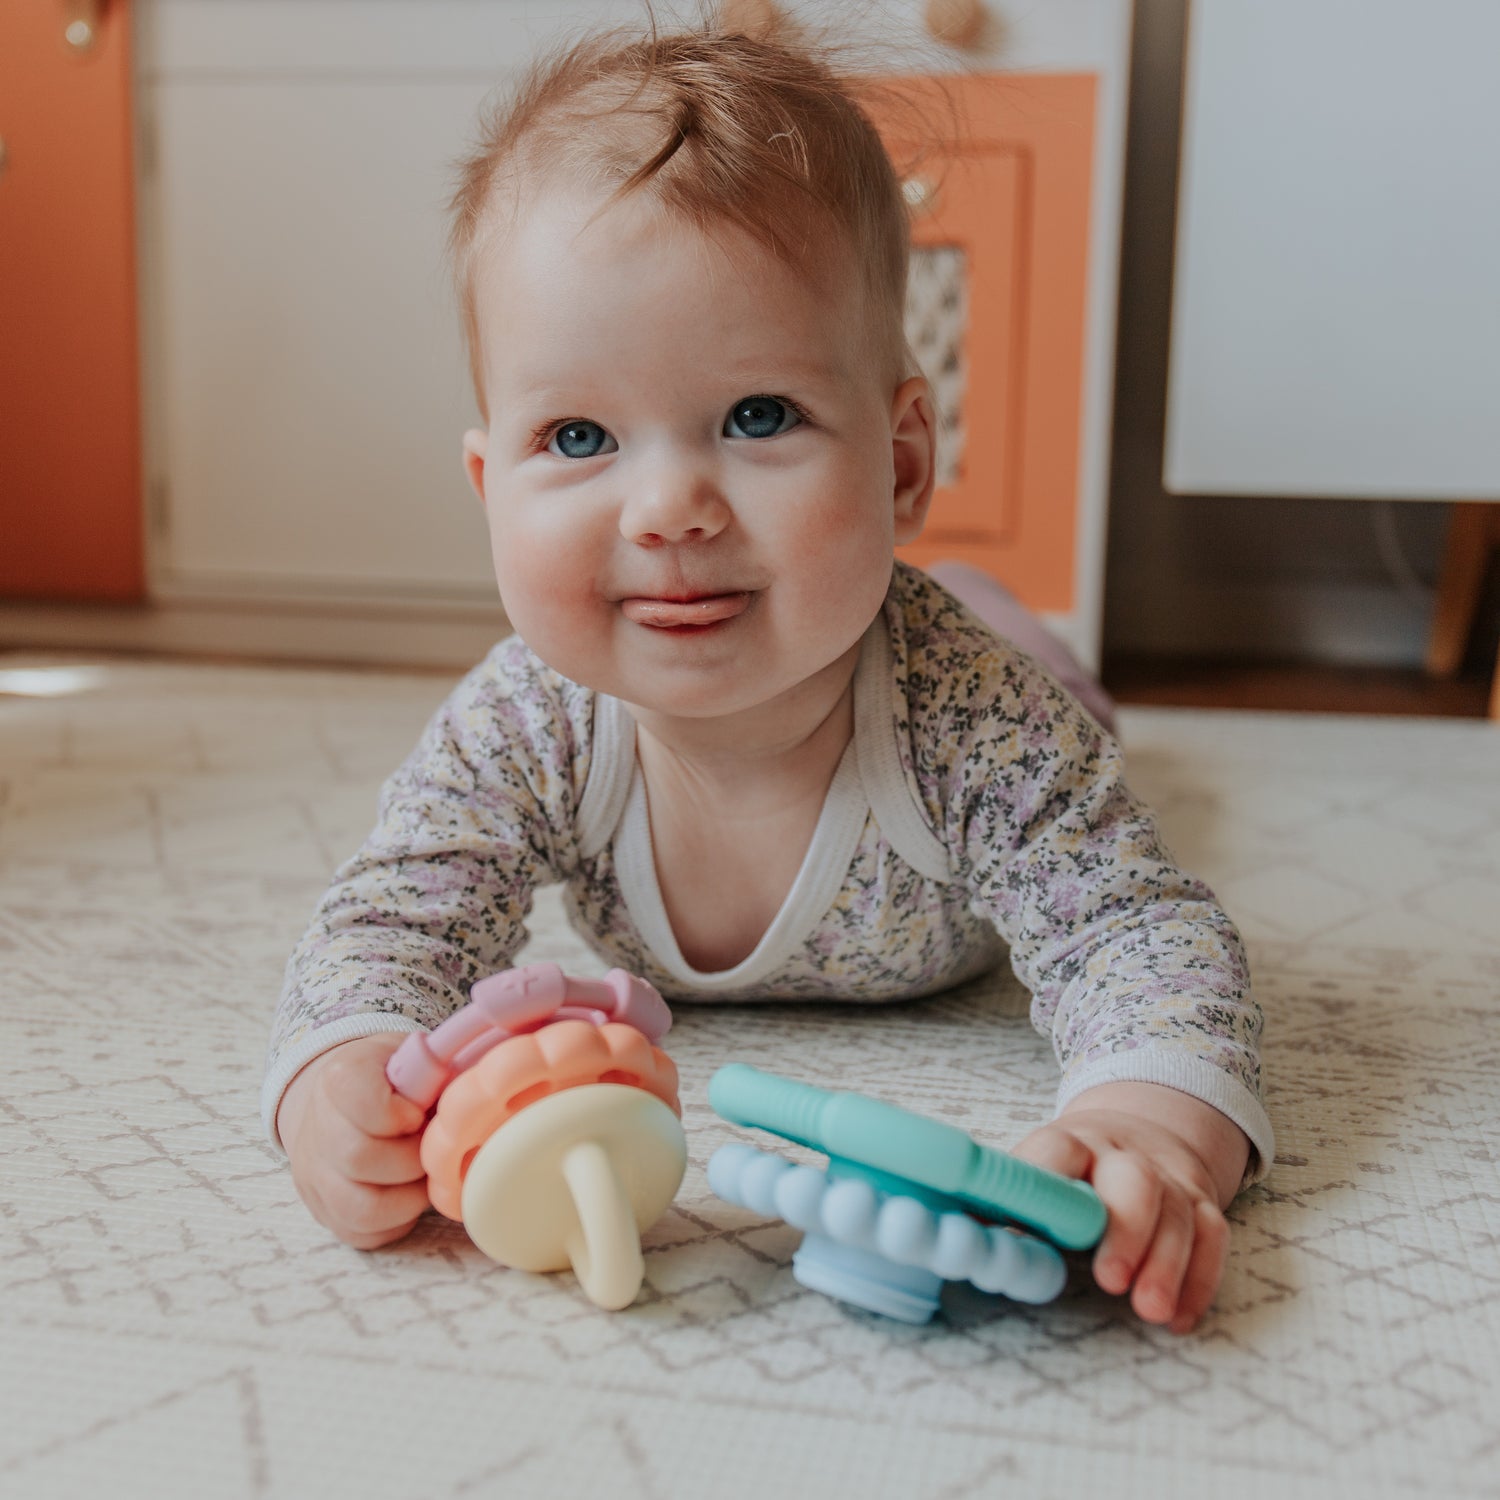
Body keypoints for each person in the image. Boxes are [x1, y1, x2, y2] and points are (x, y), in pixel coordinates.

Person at [265, 16, 1272, 1336]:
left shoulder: (974, 721)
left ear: (903, 463)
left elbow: (1136, 932)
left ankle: (1001, 607)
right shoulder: (526, 724)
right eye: (579, 436)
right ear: (488, 487)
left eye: (757, 418)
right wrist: (340, 1072)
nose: (670, 507)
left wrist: (1150, 1127)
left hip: (975, 668)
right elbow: (391, 917)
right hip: (870, 617)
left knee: (1039, 671)